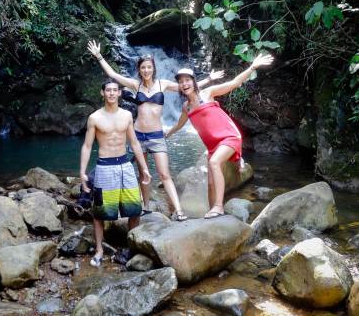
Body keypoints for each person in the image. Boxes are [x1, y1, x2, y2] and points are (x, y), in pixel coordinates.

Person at [87, 40, 224, 221]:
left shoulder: (163, 84)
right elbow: (112, 74)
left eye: (149, 67)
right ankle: (145, 206)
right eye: (143, 67)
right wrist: (99, 56)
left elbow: (187, 88)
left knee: (164, 174)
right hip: (138, 135)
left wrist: (210, 79)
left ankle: (178, 210)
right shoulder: (135, 85)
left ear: (153, 68)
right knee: (143, 173)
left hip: (157, 136)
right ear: (139, 69)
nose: (146, 70)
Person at [166, 53, 274, 219]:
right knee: (210, 184)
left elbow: (234, 83)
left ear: (194, 82)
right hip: (213, 146)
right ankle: (212, 213)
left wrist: (252, 66)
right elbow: (179, 124)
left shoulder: (208, 93)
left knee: (215, 162)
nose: (184, 84)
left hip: (229, 137)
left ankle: (218, 207)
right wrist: (169, 132)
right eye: (181, 82)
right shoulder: (186, 107)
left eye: (187, 80)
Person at [80, 78, 151, 267]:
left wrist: (143, 168)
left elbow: (134, 143)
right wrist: (82, 172)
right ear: (102, 93)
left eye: (115, 90)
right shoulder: (95, 117)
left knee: (135, 208)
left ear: (119, 93)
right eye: (108, 90)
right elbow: (87, 146)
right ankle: (99, 250)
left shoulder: (127, 115)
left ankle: (131, 246)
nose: (111, 93)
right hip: (104, 168)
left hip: (125, 166)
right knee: (99, 212)